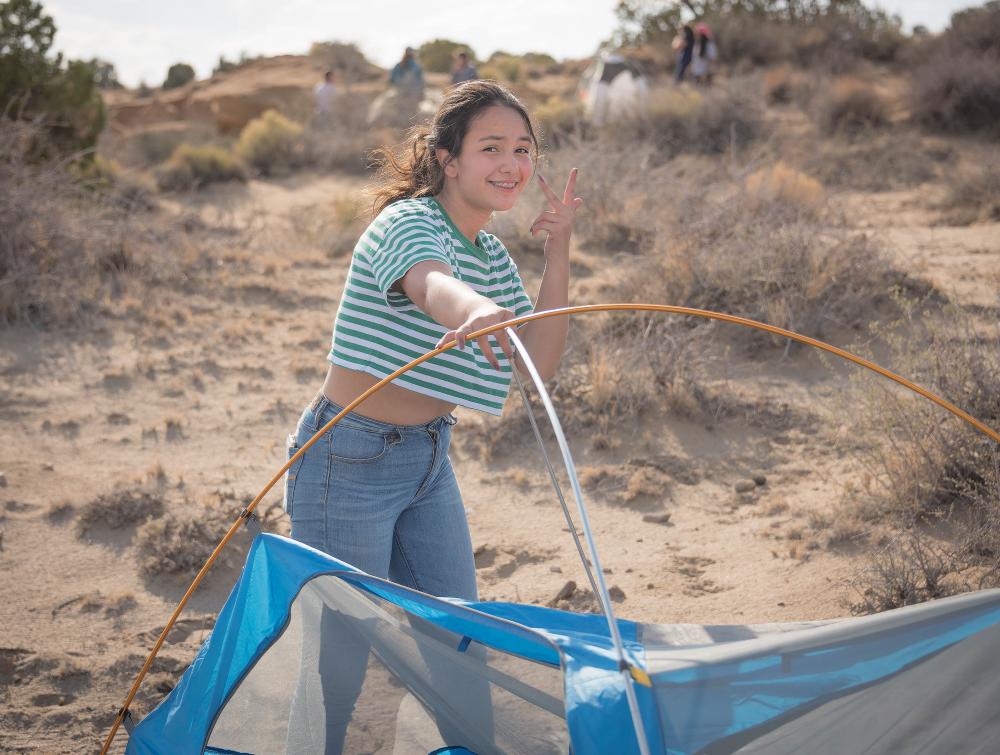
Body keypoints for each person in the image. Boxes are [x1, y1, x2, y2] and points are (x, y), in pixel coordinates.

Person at [284, 80, 581, 753]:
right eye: (491, 148)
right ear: (448, 158)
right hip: (346, 456)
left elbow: (540, 361)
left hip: (427, 461)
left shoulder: (493, 257)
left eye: (523, 149)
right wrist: (469, 311)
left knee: (456, 635)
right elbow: (428, 282)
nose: (512, 164)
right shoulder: (409, 223)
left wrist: (558, 251)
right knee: (340, 653)